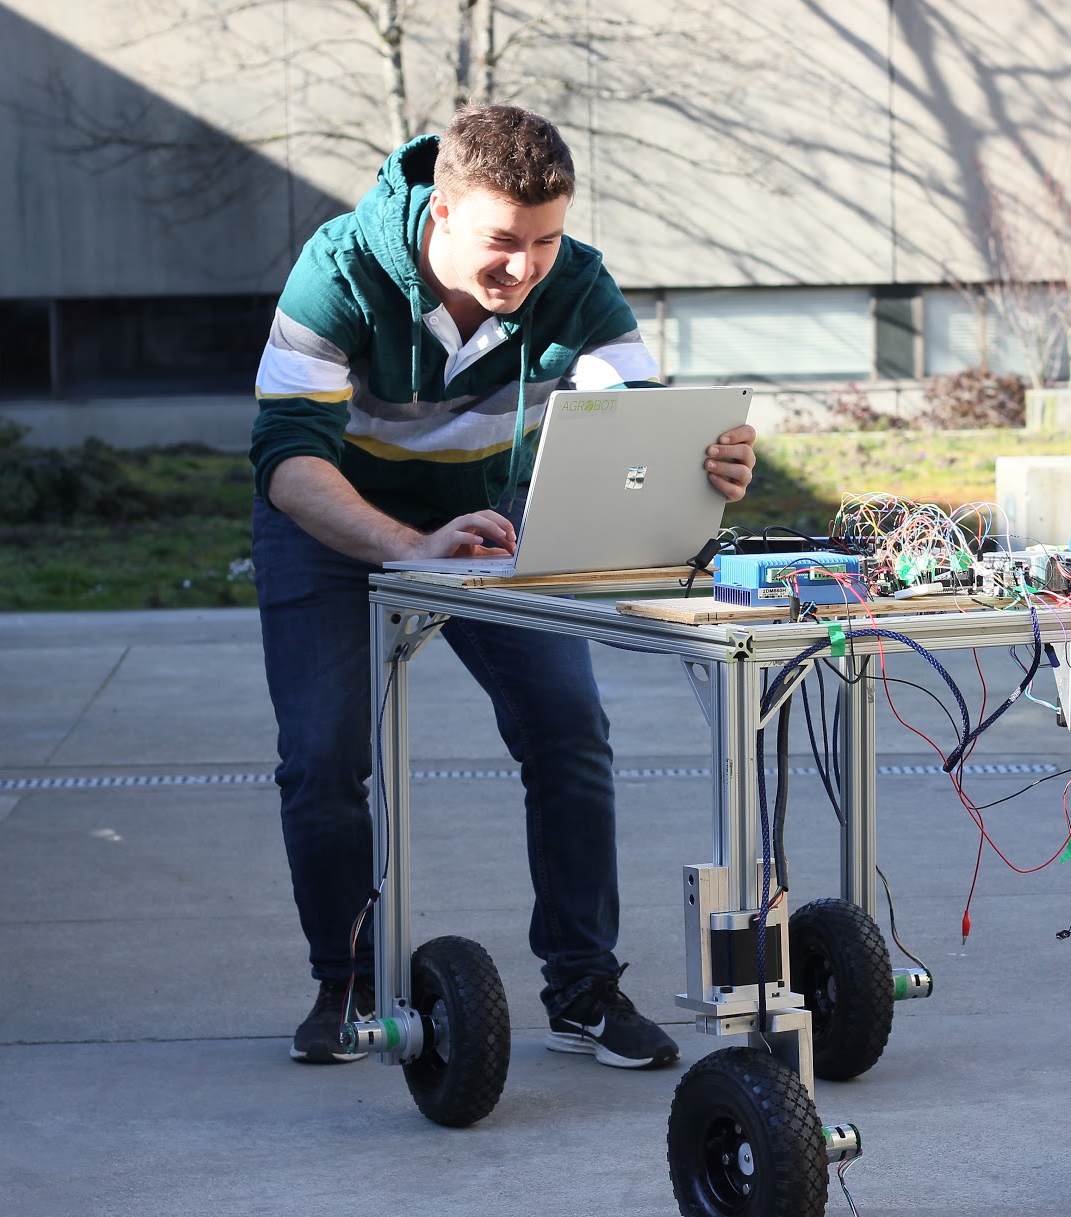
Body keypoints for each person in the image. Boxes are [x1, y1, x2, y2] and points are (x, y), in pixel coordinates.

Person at [249, 104, 755, 1067]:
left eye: (546, 240)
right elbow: (284, 462)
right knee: (324, 756)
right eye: (501, 242)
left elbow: (634, 429)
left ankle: (582, 986)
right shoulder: (339, 269)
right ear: (440, 212)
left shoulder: (576, 280)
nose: (525, 267)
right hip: (331, 519)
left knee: (569, 730)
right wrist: (409, 544)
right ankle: (348, 984)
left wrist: (706, 463)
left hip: (487, 522)